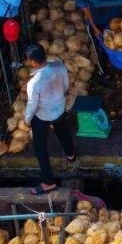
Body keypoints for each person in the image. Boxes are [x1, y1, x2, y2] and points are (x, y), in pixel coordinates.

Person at [22, 43, 76, 195]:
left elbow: (32, 105)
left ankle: (48, 182)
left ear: (32, 61)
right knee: (63, 130)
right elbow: (65, 85)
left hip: (42, 116)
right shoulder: (59, 65)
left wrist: (27, 119)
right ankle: (71, 155)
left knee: (39, 147)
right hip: (59, 109)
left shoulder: (33, 83)